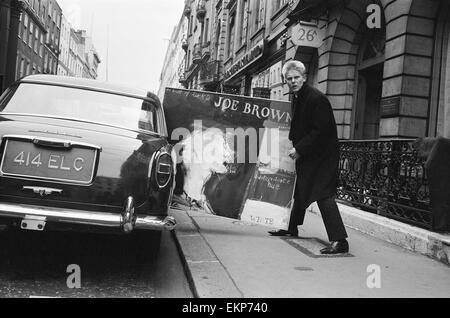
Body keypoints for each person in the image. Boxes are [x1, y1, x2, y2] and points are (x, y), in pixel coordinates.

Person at [268, 60, 349, 255]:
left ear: (304, 78)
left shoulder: (315, 98)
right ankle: (291, 227)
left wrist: (300, 149)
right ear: (285, 80)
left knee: (323, 195)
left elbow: (321, 131)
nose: (293, 81)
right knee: (300, 190)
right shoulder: (299, 96)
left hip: (322, 156)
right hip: (311, 154)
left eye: (296, 77)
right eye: (289, 78)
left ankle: (340, 241)